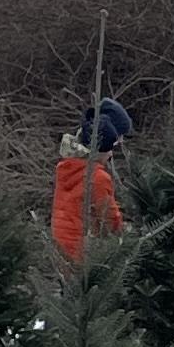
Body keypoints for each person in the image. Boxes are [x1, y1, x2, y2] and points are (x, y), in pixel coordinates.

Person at [52, 96, 134, 263]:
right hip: (85, 249)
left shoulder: (68, 165)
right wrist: (126, 234)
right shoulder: (97, 176)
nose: (118, 145)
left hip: (61, 244)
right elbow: (108, 217)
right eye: (116, 140)